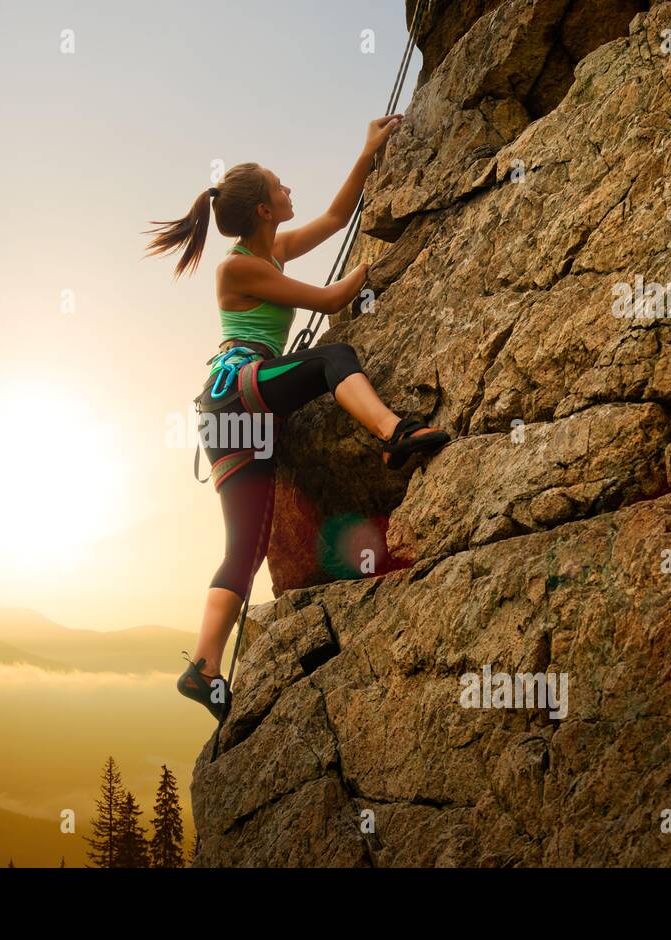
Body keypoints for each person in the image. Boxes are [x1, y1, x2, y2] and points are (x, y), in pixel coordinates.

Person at [142, 114, 450, 722]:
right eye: (281, 187)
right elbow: (334, 300)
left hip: (230, 411)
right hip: (239, 388)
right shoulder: (239, 268)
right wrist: (391, 259)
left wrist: (366, 153)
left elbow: (336, 221)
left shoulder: (271, 251)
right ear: (262, 209)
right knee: (332, 356)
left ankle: (202, 668)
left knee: (249, 545)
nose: (290, 192)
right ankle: (393, 432)